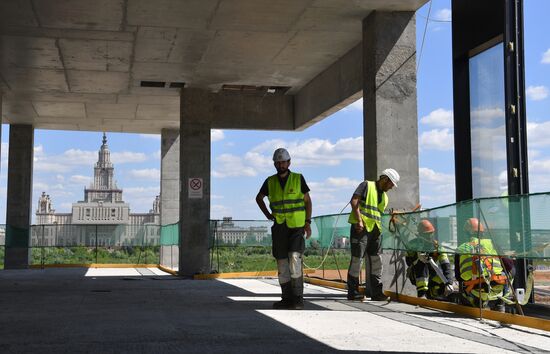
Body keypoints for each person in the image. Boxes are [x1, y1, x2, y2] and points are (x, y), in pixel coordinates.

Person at [255, 148, 312, 310]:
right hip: (280, 227)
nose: (280, 165)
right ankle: (286, 298)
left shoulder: (298, 178)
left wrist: (307, 222)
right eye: (278, 162)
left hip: (296, 227)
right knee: (281, 263)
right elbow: (259, 198)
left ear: (289, 162)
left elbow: (308, 202)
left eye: (283, 162)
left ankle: (298, 298)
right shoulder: (270, 181)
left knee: (294, 259)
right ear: (275, 164)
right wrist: (267, 214)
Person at [346, 169, 400, 301]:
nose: (391, 187)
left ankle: (377, 292)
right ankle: (353, 291)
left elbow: (378, 214)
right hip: (361, 229)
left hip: (375, 231)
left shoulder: (385, 197)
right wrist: (359, 220)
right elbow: (354, 201)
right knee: (357, 260)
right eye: (391, 184)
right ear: (384, 179)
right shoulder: (366, 185)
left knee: (377, 262)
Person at [455, 218, 511, 311]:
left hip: (473, 289)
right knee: (511, 270)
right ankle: (501, 302)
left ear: (466, 233)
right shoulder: (492, 244)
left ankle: (473, 300)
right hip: (496, 286)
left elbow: (458, 277)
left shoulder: (460, 248)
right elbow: (509, 266)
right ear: (483, 232)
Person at [405, 219, 453, 299]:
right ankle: (421, 294)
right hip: (416, 274)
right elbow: (408, 262)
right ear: (420, 234)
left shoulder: (437, 247)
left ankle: (436, 295)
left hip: (432, 273)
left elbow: (446, 266)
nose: (429, 236)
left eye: (430, 233)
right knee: (422, 264)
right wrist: (418, 259)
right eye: (426, 234)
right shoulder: (412, 244)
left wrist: (449, 282)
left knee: (442, 280)